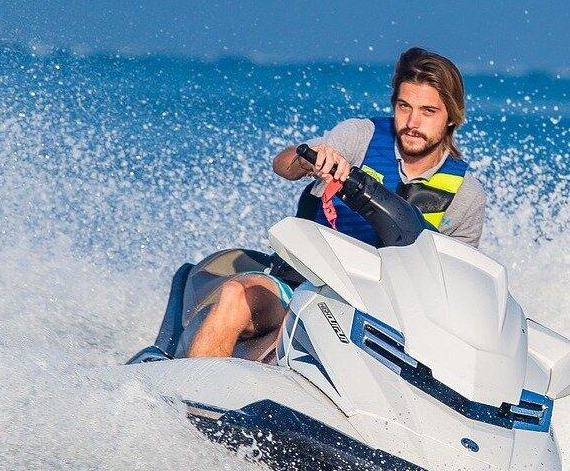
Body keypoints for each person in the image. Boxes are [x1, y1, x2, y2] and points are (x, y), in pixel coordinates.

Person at [183, 46, 489, 360]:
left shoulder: (466, 196)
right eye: (403, 106)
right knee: (236, 294)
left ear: (451, 116)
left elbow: (458, 291)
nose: (412, 122)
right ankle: (189, 401)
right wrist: (310, 160)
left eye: (428, 111)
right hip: (301, 285)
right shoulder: (360, 137)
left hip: (383, 318)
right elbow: (284, 164)